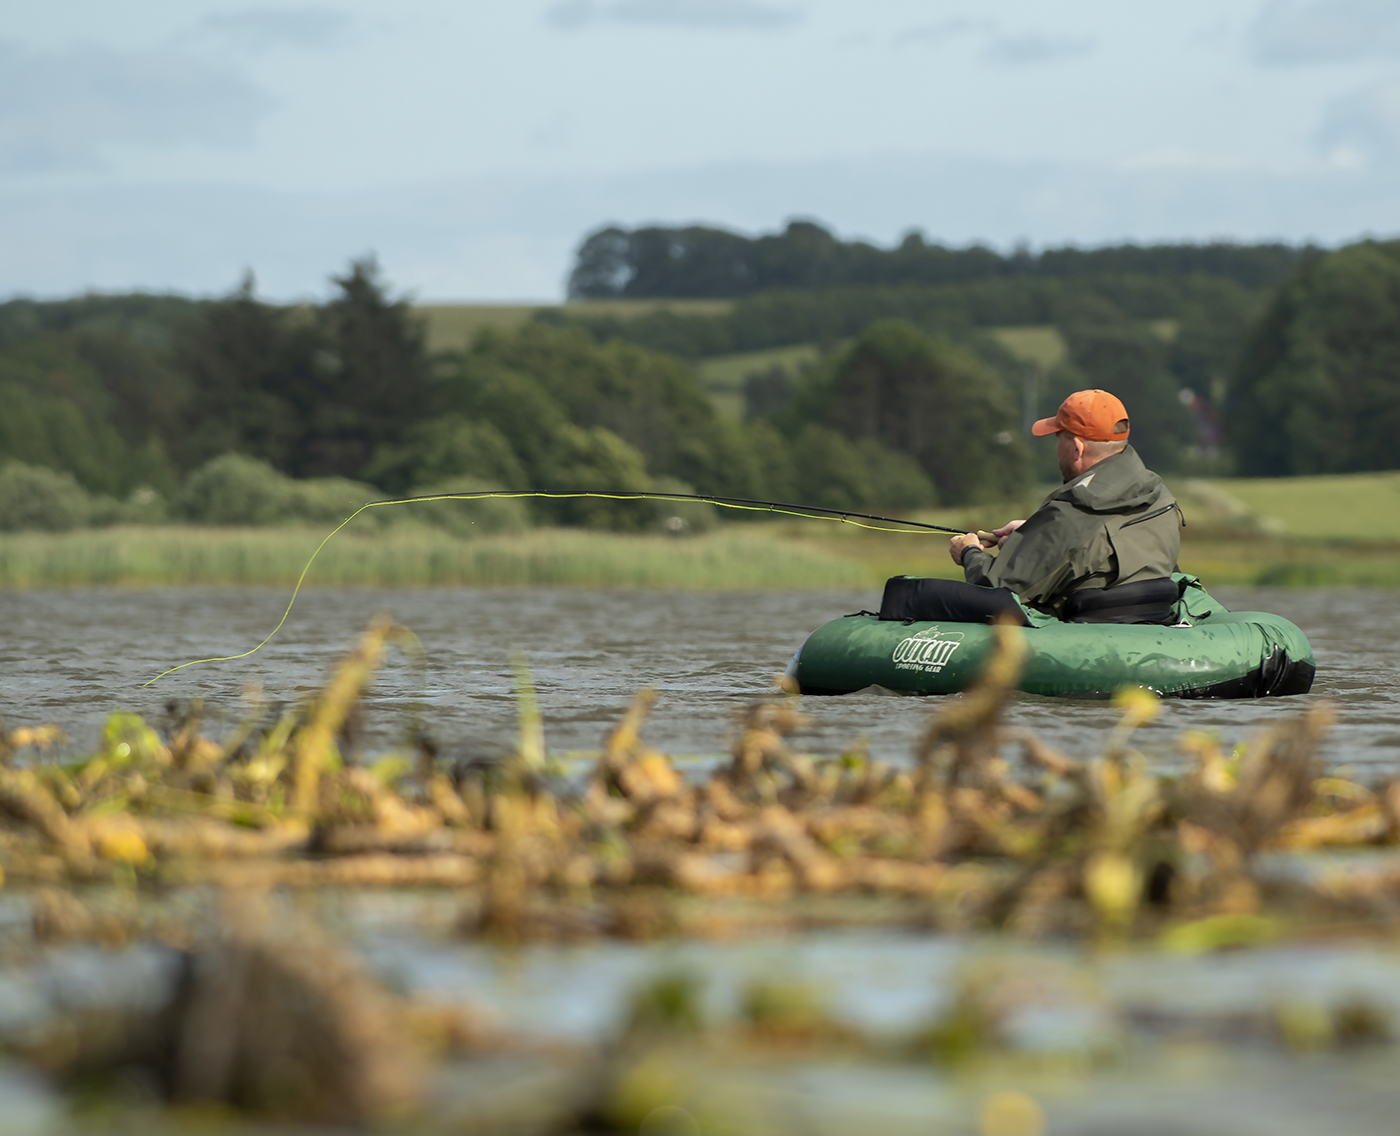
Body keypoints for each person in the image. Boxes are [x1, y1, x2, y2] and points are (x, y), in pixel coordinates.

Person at [879, 389, 1181, 625]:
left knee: (909, 593)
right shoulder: (1159, 496)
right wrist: (1033, 532)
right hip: (1147, 618)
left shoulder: (1068, 515)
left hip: (1083, 625)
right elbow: (1102, 543)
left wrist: (969, 553)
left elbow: (996, 589)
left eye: (1058, 438)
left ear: (1076, 448)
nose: (1055, 448)